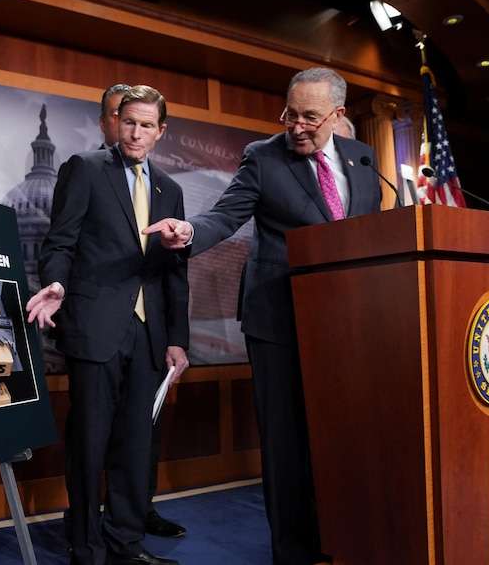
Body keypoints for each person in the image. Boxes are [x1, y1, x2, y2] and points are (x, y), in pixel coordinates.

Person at [143, 67, 382, 565]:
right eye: (289, 113)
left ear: (338, 116)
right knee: (286, 442)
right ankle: (295, 553)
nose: (296, 125)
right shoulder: (264, 156)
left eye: (310, 118)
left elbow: (370, 232)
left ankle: (340, 539)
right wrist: (188, 232)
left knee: (343, 436)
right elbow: (226, 215)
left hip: (349, 324)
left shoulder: (363, 159)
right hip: (279, 319)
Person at [27, 84, 190, 565]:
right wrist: (55, 283)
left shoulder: (171, 190)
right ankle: (87, 547)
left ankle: (125, 545)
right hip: (95, 328)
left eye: (146, 125)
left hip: (149, 335)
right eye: (128, 121)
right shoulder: (85, 169)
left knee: (135, 447)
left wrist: (177, 340)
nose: (135, 132)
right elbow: (60, 242)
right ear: (115, 122)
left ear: (161, 131)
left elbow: (174, 272)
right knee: (90, 444)